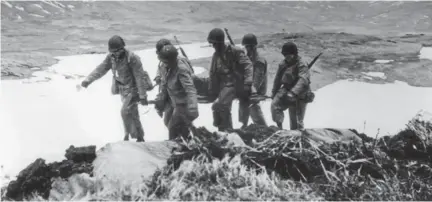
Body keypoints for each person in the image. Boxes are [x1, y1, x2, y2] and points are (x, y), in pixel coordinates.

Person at [80, 35, 153, 142]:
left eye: (117, 51)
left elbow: (139, 77)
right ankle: (138, 137)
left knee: (124, 111)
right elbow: (101, 69)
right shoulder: (111, 57)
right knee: (132, 113)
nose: (115, 53)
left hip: (134, 89)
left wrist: (142, 95)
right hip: (122, 89)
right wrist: (88, 80)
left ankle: (129, 136)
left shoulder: (132, 58)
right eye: (113, 51)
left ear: (122, 48)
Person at [207, 28, 254, 132]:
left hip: (236, 84)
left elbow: (248, 66)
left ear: (220, 42)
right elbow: (212, 73)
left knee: (223, 106)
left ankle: (227, 130)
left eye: (215, 44)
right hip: (224, 85)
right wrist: (212, 90)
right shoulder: (216, 56)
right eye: (212, 44)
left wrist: (248, 83)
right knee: (215, 107)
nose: (214, 46)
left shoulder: (235, 51)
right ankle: (222, 128)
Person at [154, 44, 199, 140]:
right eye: (163, 62)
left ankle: (177, 145)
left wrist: (193, 107)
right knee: (168, 122)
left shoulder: (181, 69)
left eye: (167, 62)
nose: (165, 64)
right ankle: (186, 140)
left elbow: (190, 89)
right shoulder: (166, 67)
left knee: (173, 128)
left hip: (184, 104)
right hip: (175, 101)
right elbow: (164, 84)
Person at [271, 41, 311, 130]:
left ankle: (298, 136)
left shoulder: (302, 64)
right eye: (285, 55)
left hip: (300, 93)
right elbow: (278, 79)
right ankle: (279, 128)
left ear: (294, 54)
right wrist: (274, 92)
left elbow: (303, 80)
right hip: (287, 89)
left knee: (296, 121)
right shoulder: (283, 64)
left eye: (289, 55)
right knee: (275, 105)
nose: (287, 57)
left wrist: (293, 92)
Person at [239, 33, 268, 128]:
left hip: (258, 90)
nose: (247, 49)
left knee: (251, 103)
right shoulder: (248, 59)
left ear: (254, 47)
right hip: (250, 88)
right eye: (246, 47)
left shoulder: (259, 61)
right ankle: (244, 124)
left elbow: (257, 81)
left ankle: (262, 126)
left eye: (249, 47)